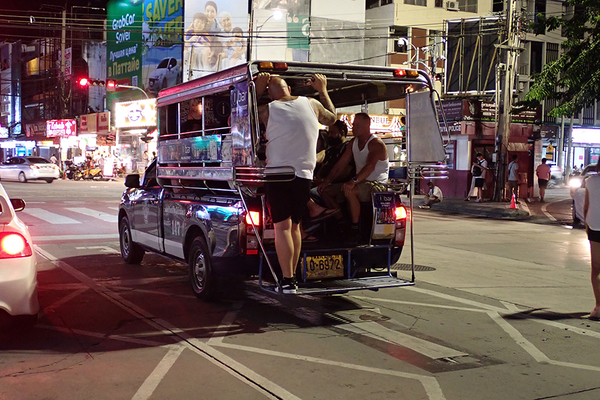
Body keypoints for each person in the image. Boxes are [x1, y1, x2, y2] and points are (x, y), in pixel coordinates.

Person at [255, 72, 336, 294]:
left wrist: (256, 91)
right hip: (304, 175)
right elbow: (332, 118)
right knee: (295, 227)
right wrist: (323, 90)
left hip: (278, 175)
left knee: (281, 228)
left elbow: (237, 120)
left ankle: (288, 280)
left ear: (269, 94)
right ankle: (294, 274)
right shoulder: (311, 103)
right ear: (289, 88)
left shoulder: (267, 110)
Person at [318, 113, 389, 242]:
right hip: (360, 182)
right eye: (353, 124)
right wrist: (326, 181)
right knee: (325, 191)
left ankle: (354, 229)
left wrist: (353, 181)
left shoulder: (376, 144)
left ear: (367, 125)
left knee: (350, 190)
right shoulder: (353, 143)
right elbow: (340, 165)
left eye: (357, 125)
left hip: (376, 184)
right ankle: (341, 222)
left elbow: (370, 166)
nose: (353, 127)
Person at [583, 163, 600, 320]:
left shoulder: (590, 181)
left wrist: (586, 224)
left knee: (596, 269)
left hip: (595, 226)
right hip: (594, 225)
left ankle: (598, 306)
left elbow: (586, 205)